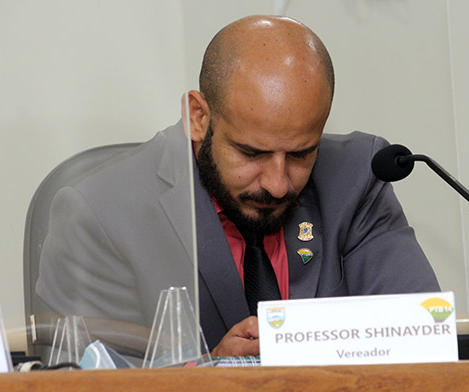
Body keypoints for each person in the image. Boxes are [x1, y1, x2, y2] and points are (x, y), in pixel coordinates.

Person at [36, 15, 439, 357]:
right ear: (198, 117)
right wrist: (210, 376)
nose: (278, 185)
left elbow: (420, 339)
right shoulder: (101, 213)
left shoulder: (357, 180)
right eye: (252, 153)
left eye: (301, 154)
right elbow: (93, 381)